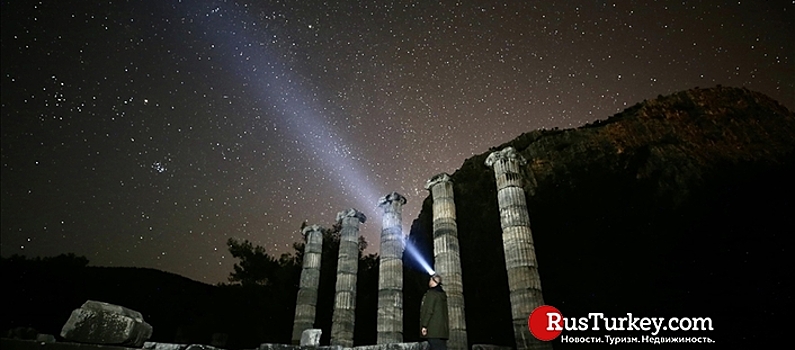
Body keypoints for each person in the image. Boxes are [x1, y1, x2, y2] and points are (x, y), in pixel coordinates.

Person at [420, 274, 449, 350]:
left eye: (430, 280)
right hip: (442, 331)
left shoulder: (432, 294)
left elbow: (429, 310)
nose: (429, 281)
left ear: (433, 281)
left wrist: (424, 326)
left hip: (433, 330)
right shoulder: (442, 294)